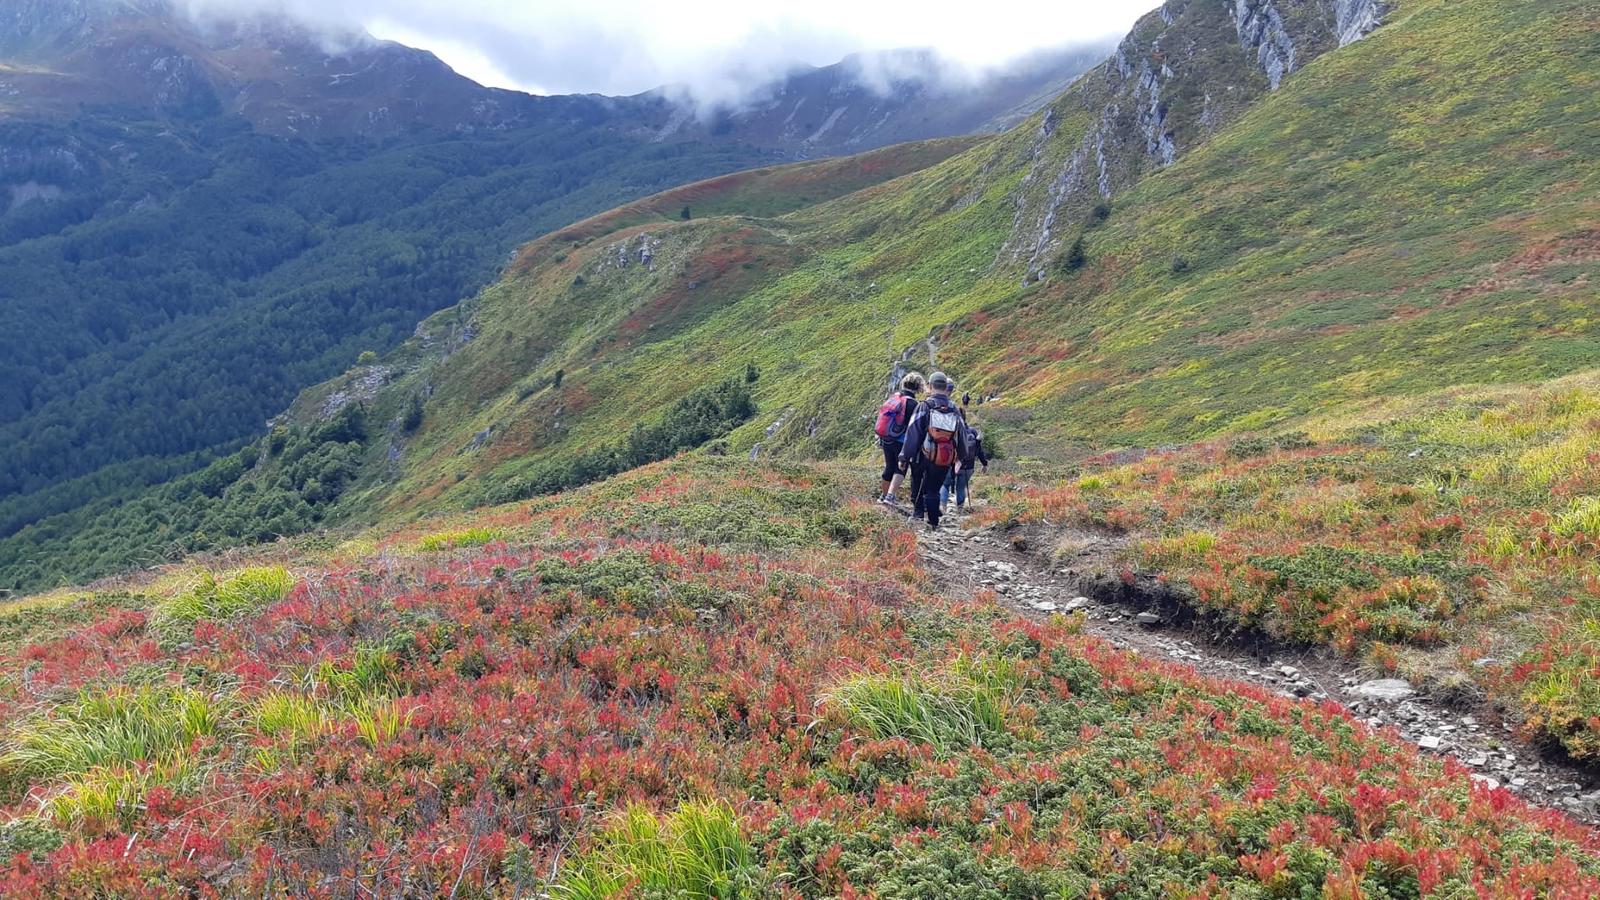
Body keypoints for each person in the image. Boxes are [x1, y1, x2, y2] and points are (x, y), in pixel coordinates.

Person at [897, 371, 970, 531]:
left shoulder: (924, 406)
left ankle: (918, 516)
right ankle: (933, 522)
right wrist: (962, 456)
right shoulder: (954, 409)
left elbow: (913, 432)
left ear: (930, 386)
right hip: (944, 457)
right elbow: (962, 434)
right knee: (934, 490)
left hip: (921, 456)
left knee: (917, 485)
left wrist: (904, 456)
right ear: (946, 387)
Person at [874, 372, 924, 503]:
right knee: (901, 467)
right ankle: (890, 496)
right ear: (918, 387)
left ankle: (883, 495)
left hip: (887, 438)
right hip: (902, 441)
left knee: (889, 466)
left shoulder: (894, 398)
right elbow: (915, 427)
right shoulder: (915, 404)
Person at [940, 422, 988, 514]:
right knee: (961, 487)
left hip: (950, 464)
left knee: (945, 485)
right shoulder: (972, 431)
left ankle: (943, 507)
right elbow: (979, 450)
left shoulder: (948, 430)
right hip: (968, 466)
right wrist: (984, 464)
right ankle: (960, 509)